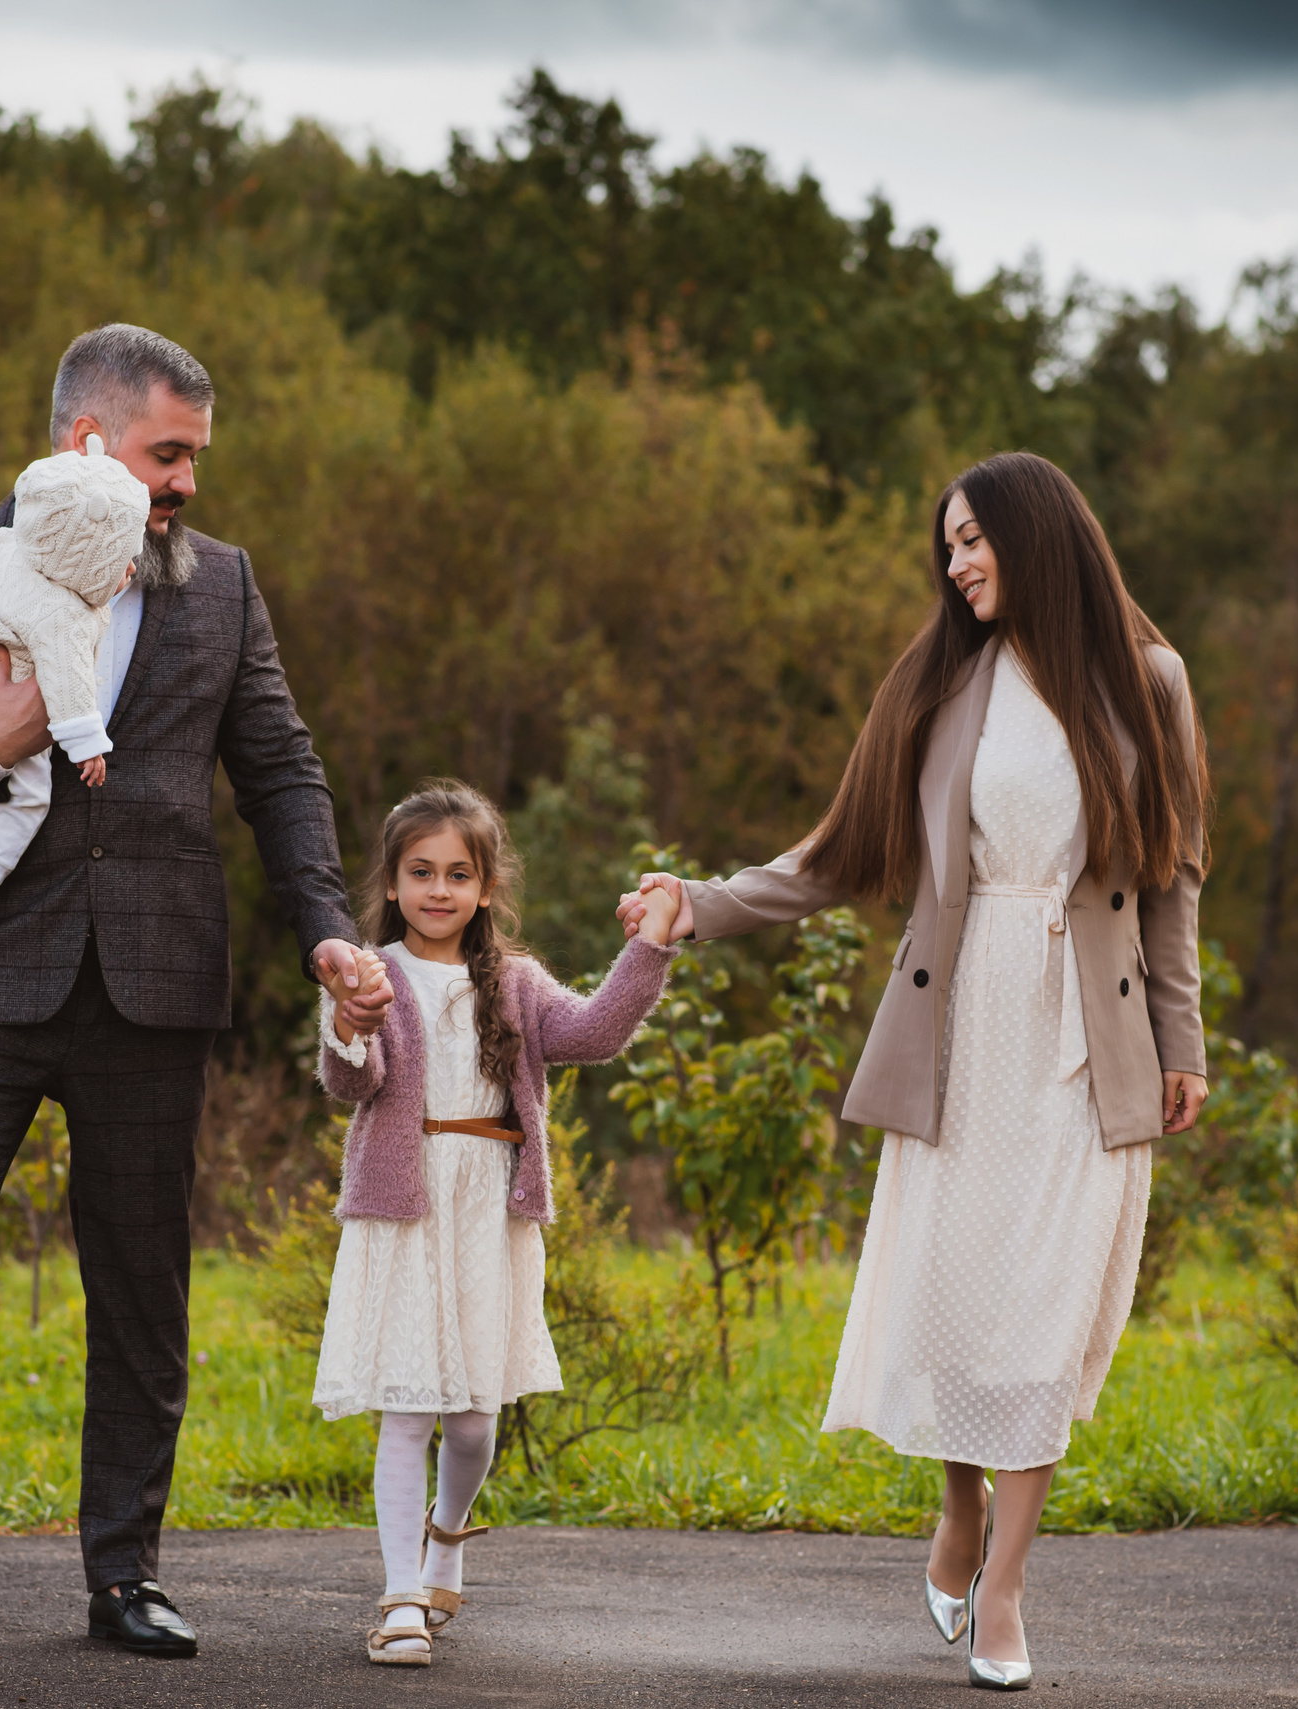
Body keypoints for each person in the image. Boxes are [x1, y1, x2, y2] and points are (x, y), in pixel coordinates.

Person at [0, 323, 394, 1669]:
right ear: (87, 442)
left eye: (194, 461)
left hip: (154, 991)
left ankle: (127, 1576)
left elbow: (281, 773)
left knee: (141, 1294)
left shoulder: (222, 588)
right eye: (169, 455)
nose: (186, 485)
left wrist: (331, 934)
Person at [622, 451, 1209, 1692]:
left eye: (971, 540)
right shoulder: (944, 681)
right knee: (954, 1290)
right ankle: (955, 1502)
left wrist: (1182, 1039)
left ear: (1034, 536)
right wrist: (701, 901)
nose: (955, 564)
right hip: (961, 1023)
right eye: (946, 547)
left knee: (1042, 1311)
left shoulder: (1149, 681)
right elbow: (842, 852)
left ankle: (1003, 1579)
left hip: (1087, 1034)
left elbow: (1172, 872)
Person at [314, 781, 679, 1667]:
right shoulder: (368, 970)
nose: (439, 890)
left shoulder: (513, 981)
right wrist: (350, 1026)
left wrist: (652, 946)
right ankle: (401, 1596)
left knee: (474, 1418)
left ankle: (447, 1535)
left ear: (485, 887)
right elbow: (349, 1082)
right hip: (405, 1209)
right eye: (420, 872)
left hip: (489, 1212)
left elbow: (593, 1032)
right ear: (393, 882)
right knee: (407, 1409)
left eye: (459, 874)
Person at [0, 435, 146, 935]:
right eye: (122, 560)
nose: (131, 570)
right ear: (87, 557)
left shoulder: (1, 548)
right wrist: (87, 746)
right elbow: (69, 678)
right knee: (28, 795)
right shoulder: (62, 610)